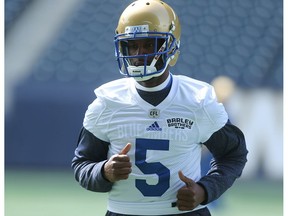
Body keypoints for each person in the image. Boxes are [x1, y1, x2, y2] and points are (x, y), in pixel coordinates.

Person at [71, 0, 248, 215]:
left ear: (171, 46)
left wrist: (204, 190)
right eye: (132, 45)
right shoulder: (107, 102)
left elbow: (234, 155)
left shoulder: (197, 100)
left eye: (149, 44)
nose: (138, 54)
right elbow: (82, 165)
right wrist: (104, 171)